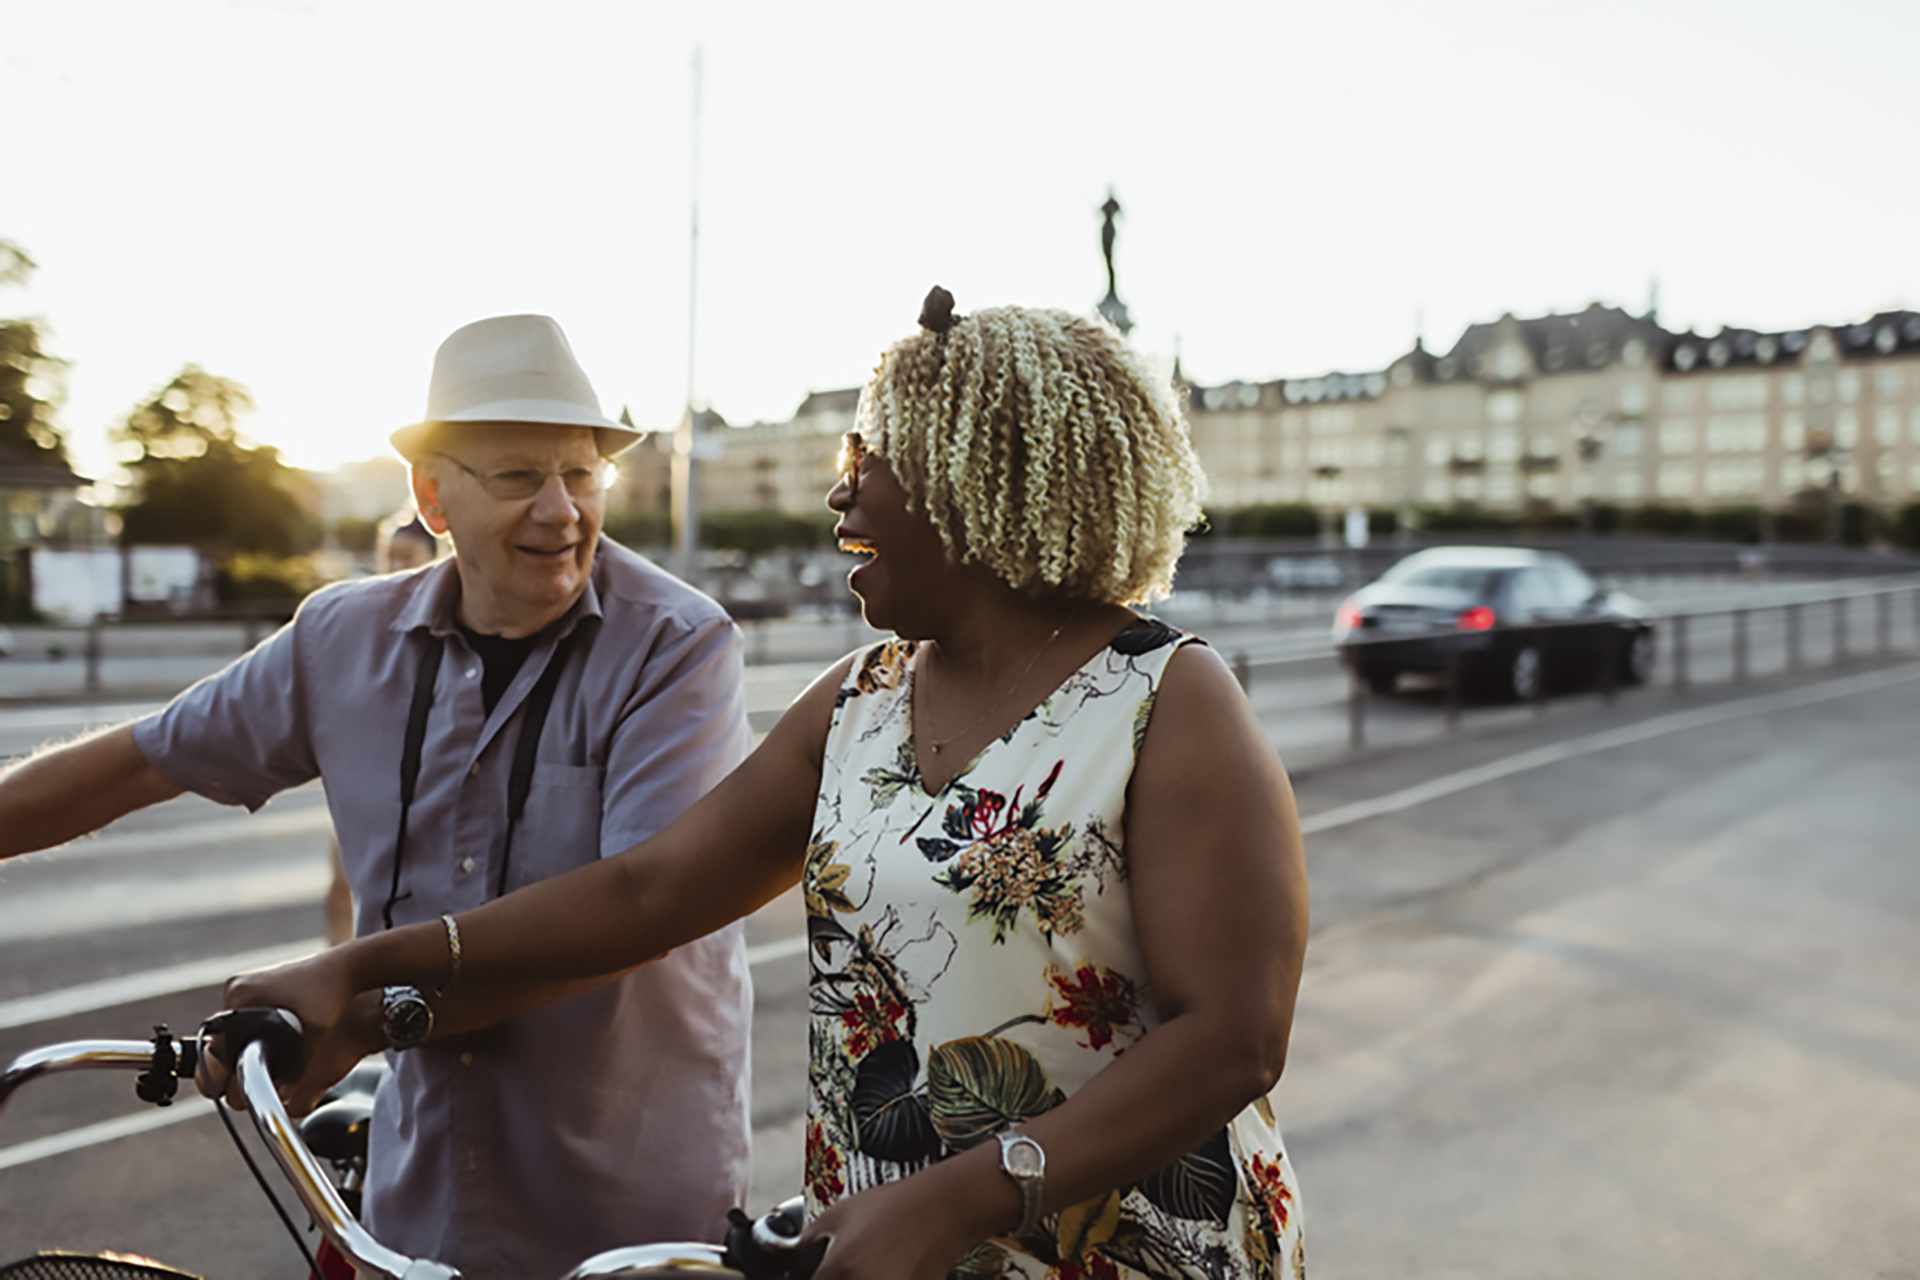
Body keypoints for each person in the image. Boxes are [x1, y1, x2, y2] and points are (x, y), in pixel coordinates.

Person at [216, 289, 1310, 1280]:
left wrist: (961, 1197)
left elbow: (1234, 1036)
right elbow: (647, 893)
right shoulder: (863, 698)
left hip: (1126, 1252)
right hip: (883, 1251)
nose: (840, 489)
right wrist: (355, 969)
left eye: (870, 455)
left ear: (979, 480)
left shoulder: (1170, 698)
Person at [0, 315, 755, 1279]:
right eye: (520, 477)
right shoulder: (339, 640)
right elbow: (144, 758)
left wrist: (361, 1011)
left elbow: (635, 915)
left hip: (626, 1221)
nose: (563, 511)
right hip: (415, 1202)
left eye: (583, 474)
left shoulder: (678, 646)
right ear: (432, 496)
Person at [324, 512, 441, 947]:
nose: (394, 565)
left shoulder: (448, 621)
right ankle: (336, 977)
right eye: (388, 555)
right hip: (362, 777)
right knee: (341, 890)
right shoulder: (365, 620)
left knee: (409, 905)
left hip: (421, 788)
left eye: (405, 555)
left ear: (435, 556)